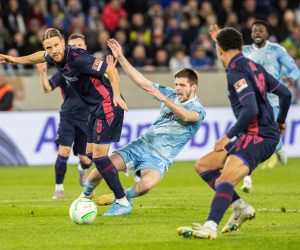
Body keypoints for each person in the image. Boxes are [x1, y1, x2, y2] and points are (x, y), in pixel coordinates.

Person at [0, 28, 131, 216]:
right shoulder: (53, 56)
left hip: (108, 104)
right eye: (49, 47)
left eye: (56, 45)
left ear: (63, 42)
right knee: (89, 156)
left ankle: (122, 200)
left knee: (100, 157)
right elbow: (38, 56)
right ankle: (126, 169)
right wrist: (14, 59)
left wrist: (117, 96)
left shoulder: (78, 57)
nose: (53, 50)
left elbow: (110, 69)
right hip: (94, 108)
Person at [177, 27, 291, 239]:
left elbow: (250, 109)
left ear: (220, 50)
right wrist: (281, 121)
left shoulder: (236, 72)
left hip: (257, 137)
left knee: (225, 180)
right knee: (204, 165)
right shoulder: (252, 66)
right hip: (258, 134)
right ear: (241, 46)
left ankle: (210, 226)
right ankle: (240, 207)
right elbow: (284, 93)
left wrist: (227, 136)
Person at [80, 38, 206, 211]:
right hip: (140, 145)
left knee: (146, 185)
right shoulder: (170, 94)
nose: (177, 88)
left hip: (160, 158)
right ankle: (84, 197)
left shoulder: (198, 110)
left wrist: (163, 99)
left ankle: (123, 197)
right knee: (98, 172)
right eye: (176, 84)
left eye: (182, 85)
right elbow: (141, 81)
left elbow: (185, 116)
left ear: (194, 87)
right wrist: (121, 57)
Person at [210, 20, 299, 193]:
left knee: (258, 136)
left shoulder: (277, 50)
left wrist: (291, 78)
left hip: (272, 101)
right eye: (255, 31)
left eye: (261, 31)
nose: (258, 33)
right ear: (251, 34)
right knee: (250, 137)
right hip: (253, 100)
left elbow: (294, 69)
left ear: (267, 33)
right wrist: (218, 42)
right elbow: (226, 60)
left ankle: (273, 150)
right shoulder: (246, 51)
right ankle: (249, 175)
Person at [36, 33, 93, 200]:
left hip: (87, 118)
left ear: (85, 47)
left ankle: (82, 169)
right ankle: (59, 189)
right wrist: (42, 74)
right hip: (68, 116)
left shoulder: (91, 67)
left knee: (87, 161)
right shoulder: (63, 70)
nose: (77, 48)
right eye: (73, 46)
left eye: (79, 45)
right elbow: (47, 89)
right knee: (64, 151)